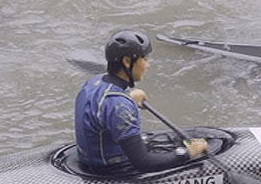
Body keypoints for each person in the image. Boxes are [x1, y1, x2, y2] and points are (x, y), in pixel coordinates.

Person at [74, 29, 208, 174]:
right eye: (144, 58)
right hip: (111, 170)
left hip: (93, 160)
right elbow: (144, 163)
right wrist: (188, 153)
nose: (147, 64)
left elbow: (103, 107)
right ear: (127, 61)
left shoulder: (94, 82)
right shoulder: (119, 106)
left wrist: (129, 97)